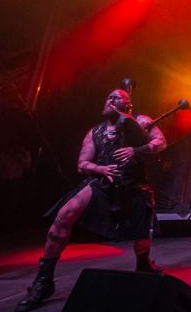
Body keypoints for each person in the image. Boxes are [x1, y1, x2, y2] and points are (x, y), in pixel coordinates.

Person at [16, 88, 167, 311]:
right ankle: (44, 280)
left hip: (134, 183)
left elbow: (160, 143)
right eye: (108, 97)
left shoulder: (141, 120)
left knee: (141, 231)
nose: (110, 99)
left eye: (117, 97)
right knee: (64, 215)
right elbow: (82, 164)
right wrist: (101, 169)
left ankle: (143, 264)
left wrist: (136, 151)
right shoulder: (95, 132)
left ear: (128, 104)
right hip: (103, 182)